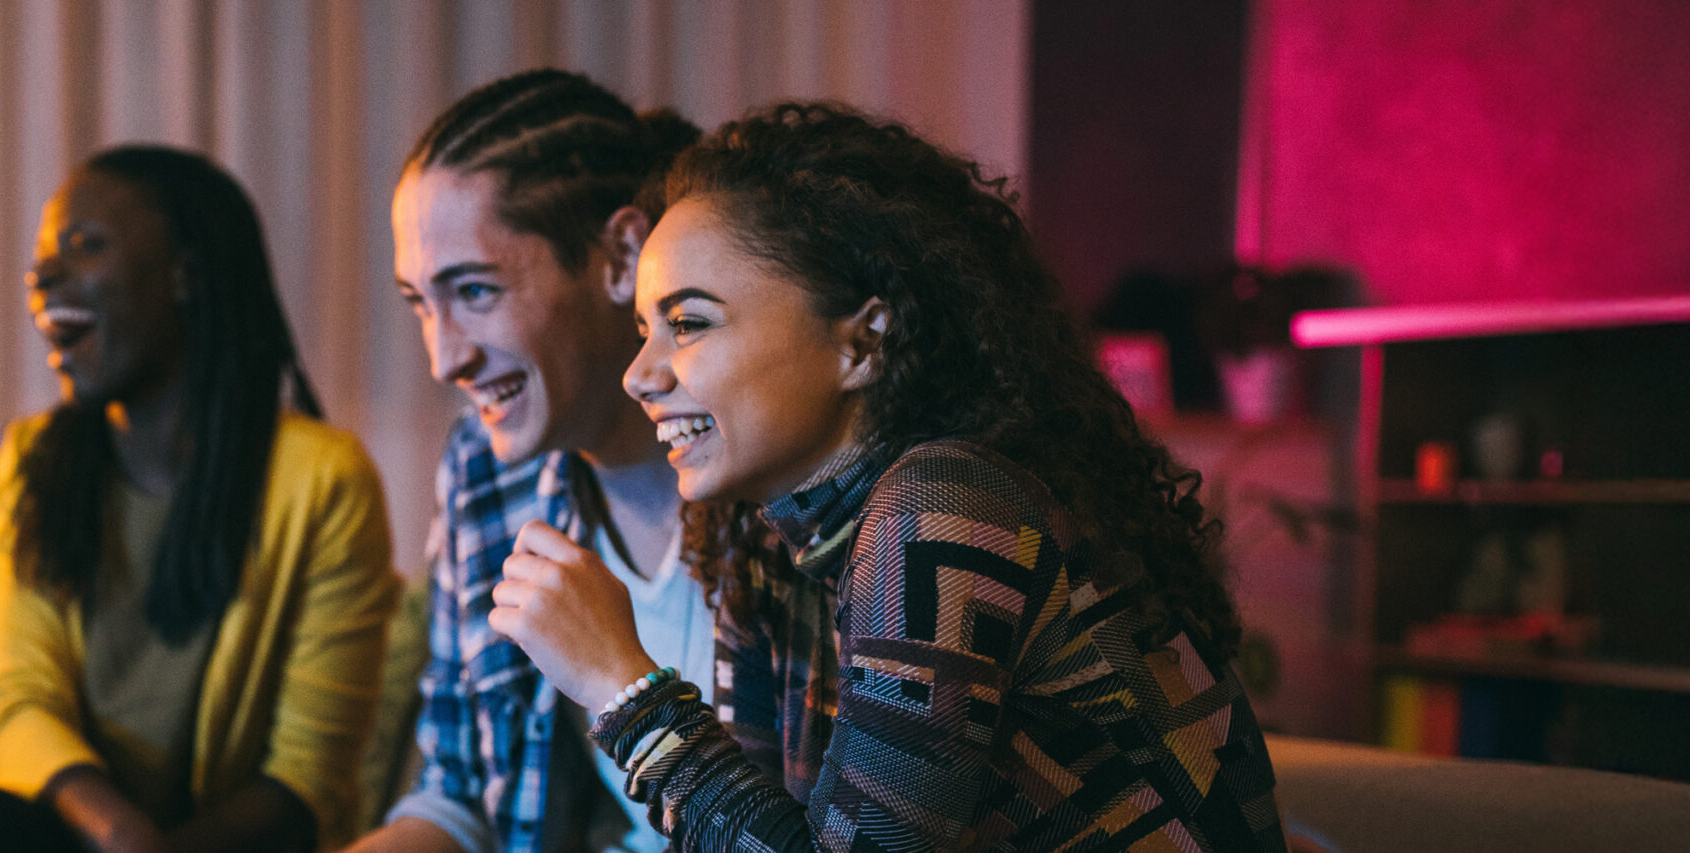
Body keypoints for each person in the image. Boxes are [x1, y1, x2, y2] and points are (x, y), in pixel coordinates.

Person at [488, 102, 1286, 851]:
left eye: (689, 324)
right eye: (644, 329)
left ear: (863, 343)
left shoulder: (946, 512)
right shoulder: (762, 545)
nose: (639, 375)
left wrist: (618, 683)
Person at [0, 145, 396, 853]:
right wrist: (120, 830)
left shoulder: (325, 480)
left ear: (185, 274)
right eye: (44, 254)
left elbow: (306, 777)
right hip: (77, 833)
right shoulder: (31, 461)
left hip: (236, 845)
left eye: (85, 245)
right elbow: (20, 698)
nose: (41, 274)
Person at [347, 69, 703, 853]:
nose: (444, 359)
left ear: (619, 256)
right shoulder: (486, 468)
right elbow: (461, 794)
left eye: (473, 291)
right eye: (419, 301)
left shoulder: (768, 474)